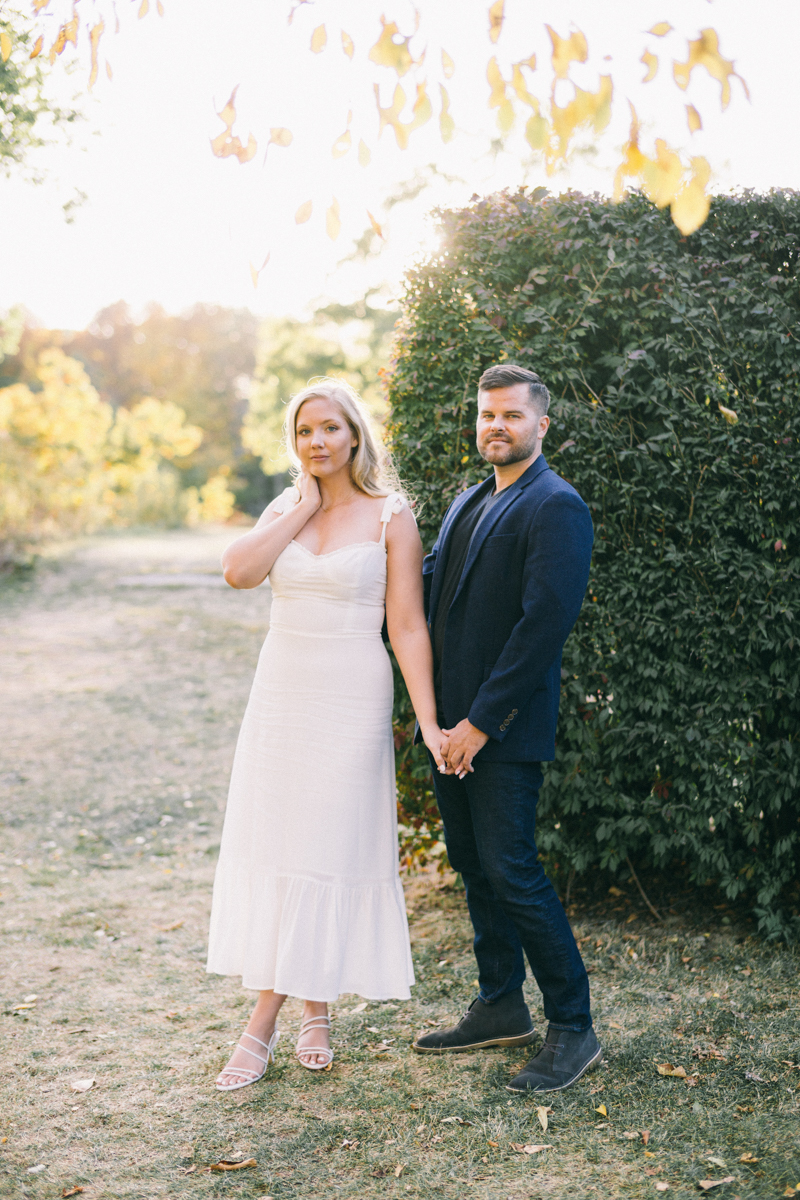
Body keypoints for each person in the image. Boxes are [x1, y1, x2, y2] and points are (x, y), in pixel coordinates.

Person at [207, 378, 446, 1090]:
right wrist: (303, 506)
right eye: (305, 430)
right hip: (281, 693)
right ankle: (314, 1011)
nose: (317, 441)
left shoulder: (390, 515)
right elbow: (238, 572)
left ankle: (261, 1024)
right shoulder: (287, 504)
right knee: (282, 842)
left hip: (351, 693)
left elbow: (406, 625)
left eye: (330, 429)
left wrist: (429, 720)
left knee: (325, 843)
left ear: (354, 436)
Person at [413, 363, 601, 1093]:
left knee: (513, 870)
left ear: (542, 425)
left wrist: (481, 723)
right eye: (487, 414)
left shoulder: (556, 505)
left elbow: (542, 628)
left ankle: (573, 1027)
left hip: (502, 730)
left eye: (512, 416)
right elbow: (426, 594)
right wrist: (438, 723)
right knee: (474, 864)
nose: (496, 426)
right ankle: (498, 1004)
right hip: (447, 731)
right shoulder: (468, 500)